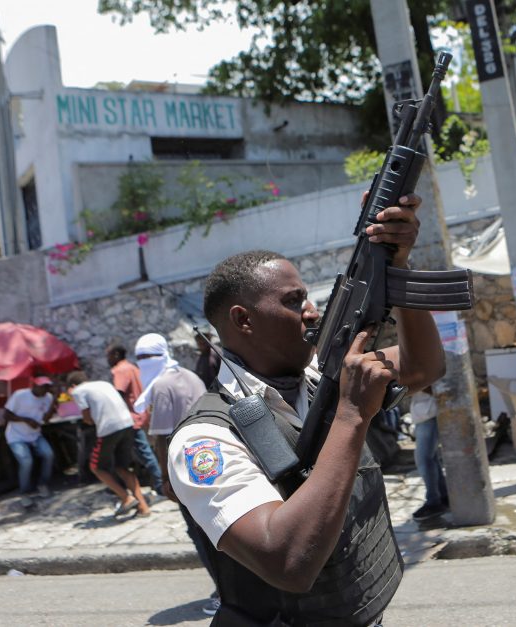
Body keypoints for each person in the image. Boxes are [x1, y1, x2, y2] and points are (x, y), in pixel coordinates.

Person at [168, 192, 445, 625]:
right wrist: (352, 415)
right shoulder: (204, 439)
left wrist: (398, 266)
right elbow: (289, 561)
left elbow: (423, 365)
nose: (312, 312)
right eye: (294, 301)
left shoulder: (318, 380)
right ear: (243, 320)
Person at [133, 332, 218, 615]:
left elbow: (160, 437)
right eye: (140, 358)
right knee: (216, 526)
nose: (144, 363)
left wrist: (164, 478)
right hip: (210, 460)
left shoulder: (161, 385)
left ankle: (225, 592)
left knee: (201, 533)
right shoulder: (189, 375)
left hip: (183, 468)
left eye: (147, 357)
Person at [67, 370, 149, 518]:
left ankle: (125, 497)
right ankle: (143, 507)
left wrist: (89, 419)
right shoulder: (104, 383)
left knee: (96, 467)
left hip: (109, 429)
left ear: (72, 385)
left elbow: (87, 418)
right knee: (122, 467)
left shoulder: (77, 391)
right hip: (127, 423)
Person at [107, 343, 163, 496]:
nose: (108, 359)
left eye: (109, 356)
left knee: (144, 454)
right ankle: (156, 482)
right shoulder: (133, 368)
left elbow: (118, 393)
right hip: (144, 414)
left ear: (117, 355)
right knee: (147, 452)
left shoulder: (119, 370)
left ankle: (160, 485)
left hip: (132, 418)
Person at [3, 376, 57, 507]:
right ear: (34, 386)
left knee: (48, 455)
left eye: (47, 387)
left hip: (35, 435)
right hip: (16, 436)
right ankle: (24, 492)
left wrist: (54, 402)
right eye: (43, 387)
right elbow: (6, 415)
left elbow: (46, 419)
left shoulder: (48, 397)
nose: (45, 389)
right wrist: (26, 420)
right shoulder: (20, 395)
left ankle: (42, 484)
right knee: (26, 461)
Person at [410, 386, 449, 522]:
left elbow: (432, 386)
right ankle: (443, 496)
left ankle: (434, 502)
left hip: (429, 413)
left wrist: (408, 383)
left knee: (424, 459)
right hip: (424, 413)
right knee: (431, 459)